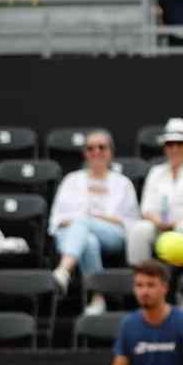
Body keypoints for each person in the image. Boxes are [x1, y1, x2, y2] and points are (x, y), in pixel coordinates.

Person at [48, 129, 140, 314]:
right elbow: (57, 220)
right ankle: (98, 298)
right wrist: (81, 224)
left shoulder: (123, 183)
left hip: (112, 234)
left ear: (111, 152)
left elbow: (131, 222)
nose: (96, 152)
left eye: (102, 147)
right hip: (70, 233)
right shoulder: (71, 180)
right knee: (88, 240)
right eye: (90, 148)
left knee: (83, 221)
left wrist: (91, 219)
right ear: (85, 153)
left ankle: (64, 270)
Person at [127, 118, 183, 268]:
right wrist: (159, 222)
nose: (175, 149)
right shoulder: (156, 172)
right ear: (165, 147)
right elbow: (146, 208)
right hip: (162, 226)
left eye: (180, 144)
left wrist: (179, 221)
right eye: (170, 144)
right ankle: (142, 275)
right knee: (139, 229)